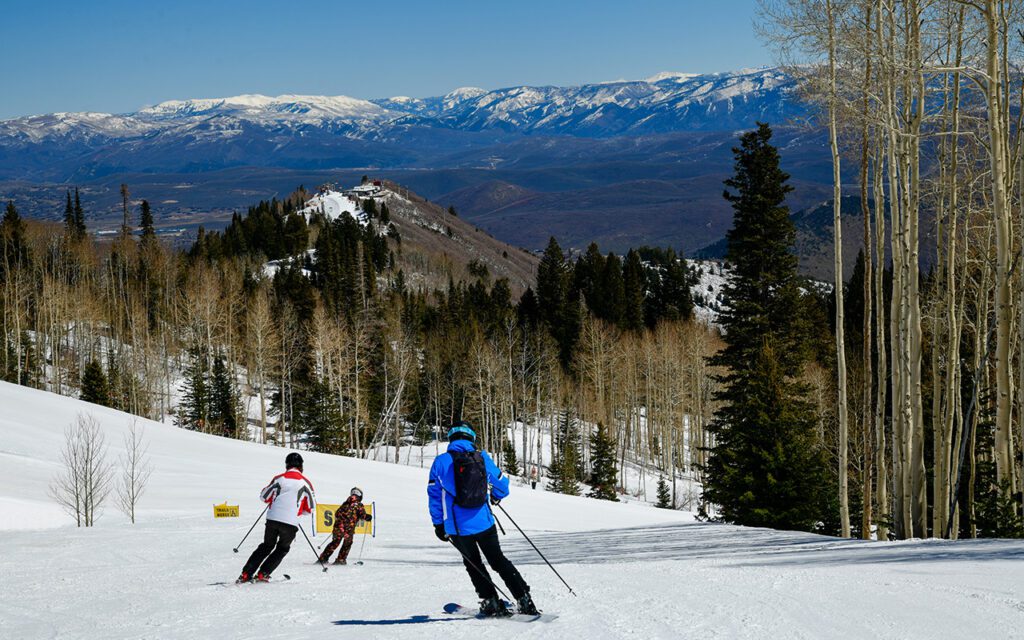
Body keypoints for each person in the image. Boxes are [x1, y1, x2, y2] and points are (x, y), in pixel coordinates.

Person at [427, 421, 538, 616]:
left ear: (451, 438)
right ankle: (524, 598)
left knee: (474, 565)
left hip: (457, 528)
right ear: (471, 437)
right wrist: (495, 495)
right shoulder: (482, 457)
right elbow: (503, 486)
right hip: (484, 522)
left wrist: (438, 524)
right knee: (498, 560)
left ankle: (490, 602)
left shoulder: (441, 462)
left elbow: (434, 496)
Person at [237, 452, 316, 583]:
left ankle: (246, 573)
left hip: (273, 519)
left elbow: (264, 496)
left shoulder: (279, 478)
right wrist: (298, 511)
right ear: (301, 466)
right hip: (290, 522)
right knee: (282, 548)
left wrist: (274, 501)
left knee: (266, 546)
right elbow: (311, 508)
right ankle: (263, 573)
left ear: (287, 465)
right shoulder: (306, 483)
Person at [318, 487, 372, 565]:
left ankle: (323, 558)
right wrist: (367, 517)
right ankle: (340, 560)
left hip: (338, 527)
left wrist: (341, 521)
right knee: (347, 544)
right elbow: (362, 515)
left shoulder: (345, 503)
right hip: (348, 529)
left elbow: (337, 513)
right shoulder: (358, 505)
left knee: (335, 542)